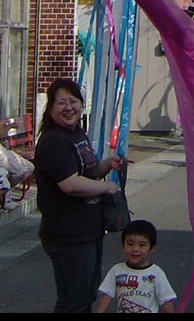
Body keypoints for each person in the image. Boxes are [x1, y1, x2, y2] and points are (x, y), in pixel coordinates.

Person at [34, 78, 126, 313]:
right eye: (61, 102)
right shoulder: (54, 140)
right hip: (68, 235)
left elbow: (88, 171)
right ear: (51, 108)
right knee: (73, 301)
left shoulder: (76, 133)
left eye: (73, 101)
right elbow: (70, 184)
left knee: (84, 296)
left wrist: (108, 164)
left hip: (88, 231)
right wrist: (107, 188)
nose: (68, 107)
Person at [95, 220, 177, 313]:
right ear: (123, 245)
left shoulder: (156, 273)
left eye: (142, 245)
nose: (135, 249)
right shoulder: (117, 270)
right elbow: (107, 295)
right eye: (130, 244)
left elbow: (166, 299)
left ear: (152, 248)